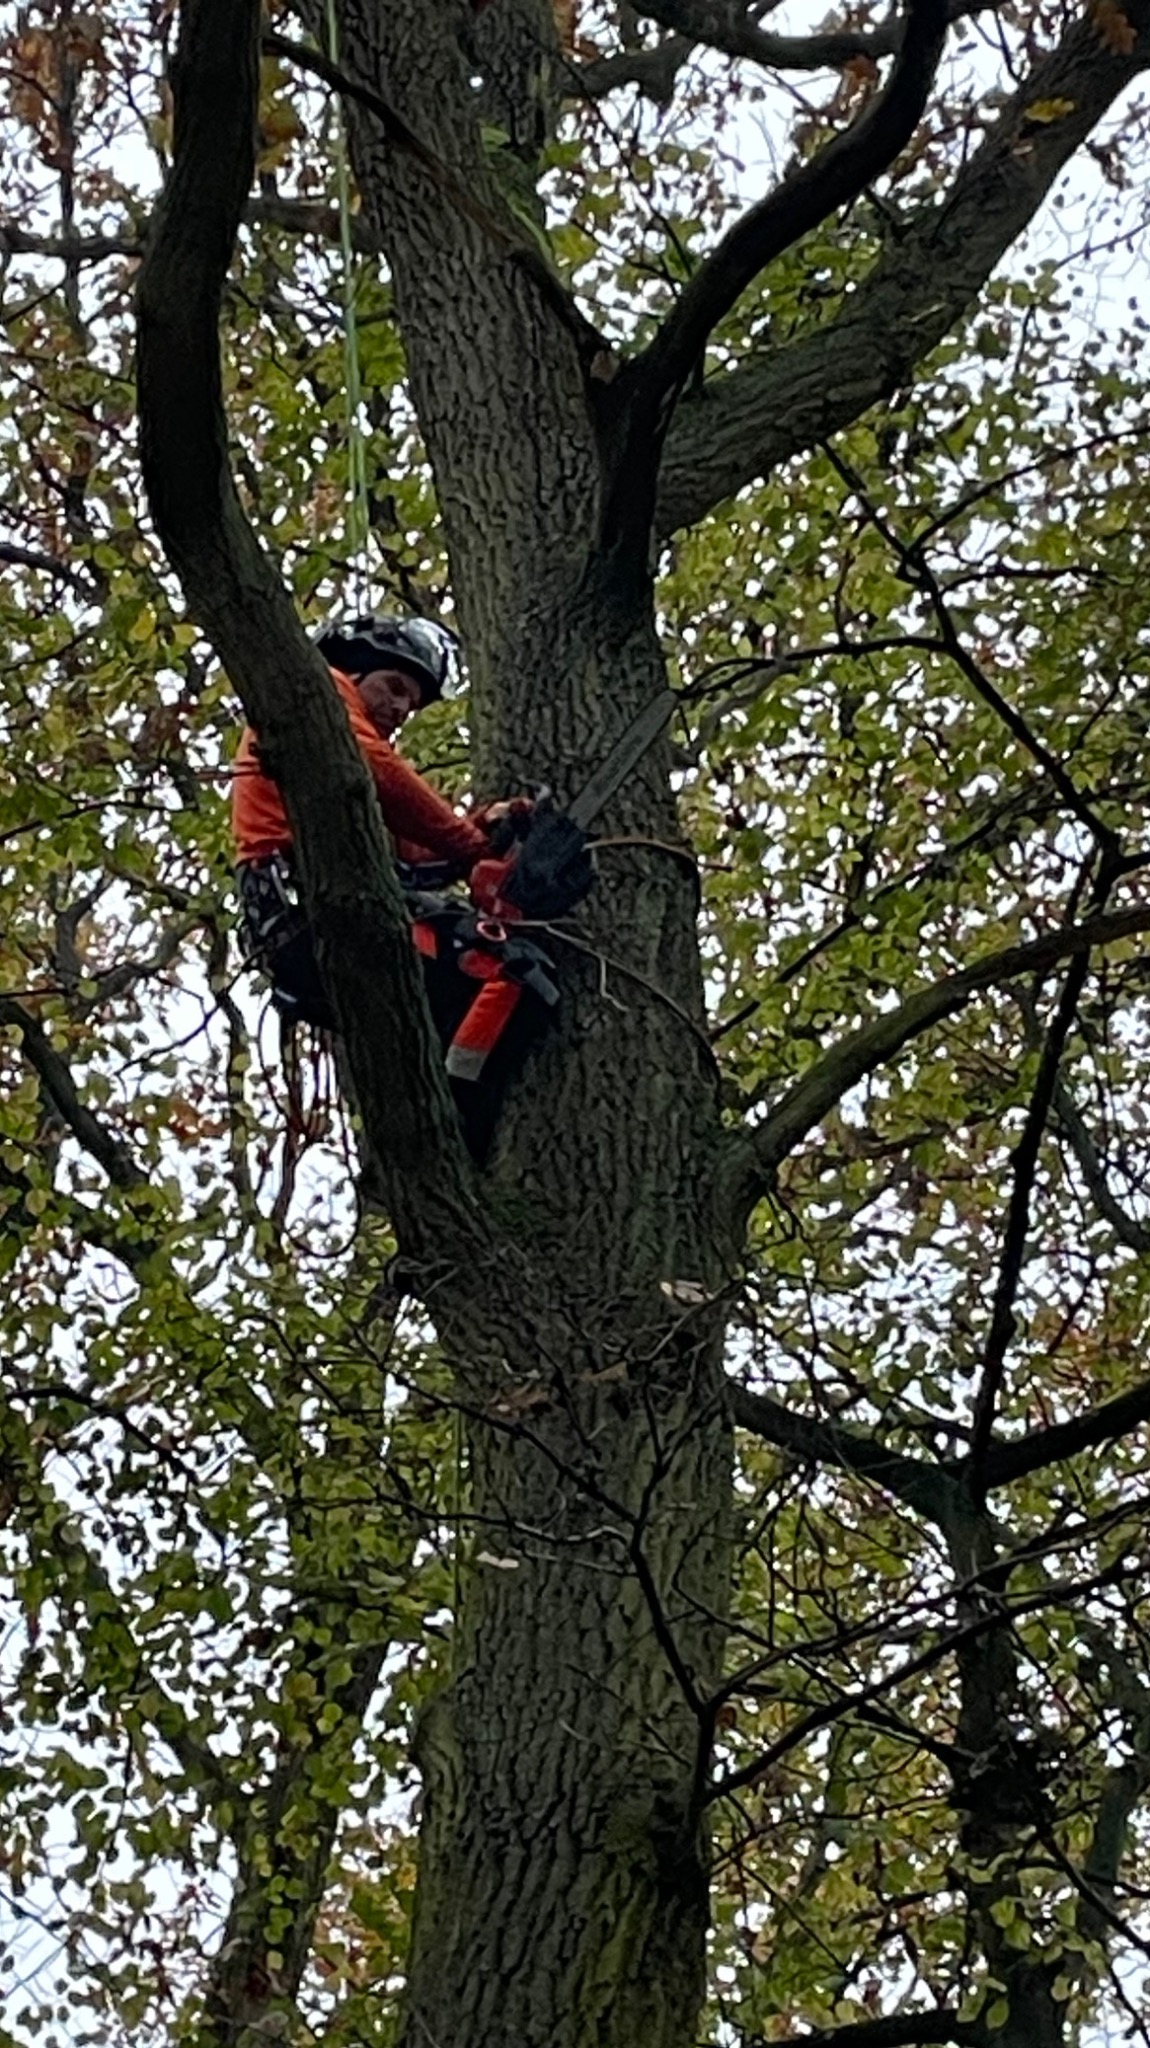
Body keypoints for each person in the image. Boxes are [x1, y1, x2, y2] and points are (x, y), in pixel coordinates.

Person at [232, 613, 563, 1161]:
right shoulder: (319, 698)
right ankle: (457, 1118)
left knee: (459, 996)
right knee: (514, 970)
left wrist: (488, 829)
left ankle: (448, 1119)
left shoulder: (350, 795)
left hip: (314, 927)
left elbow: (415, 857)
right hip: (311, 913)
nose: (401, 708)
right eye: (394, 687)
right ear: (357, 671)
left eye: (410, 703)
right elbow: (385, 775)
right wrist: (468, 843)